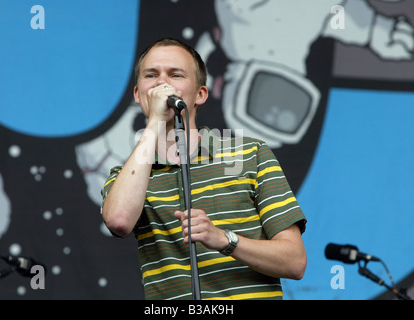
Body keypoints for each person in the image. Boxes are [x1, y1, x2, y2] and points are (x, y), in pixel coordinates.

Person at [101, 37, 307, 300]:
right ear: (138, 94)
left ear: (200, 94)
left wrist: (223, 239)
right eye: (151, 75)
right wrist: (154, 123)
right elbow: (119, 221)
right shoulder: (126, 176)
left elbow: (294, 261)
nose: (162, 83)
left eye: (175, 74)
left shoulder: (250, 154)